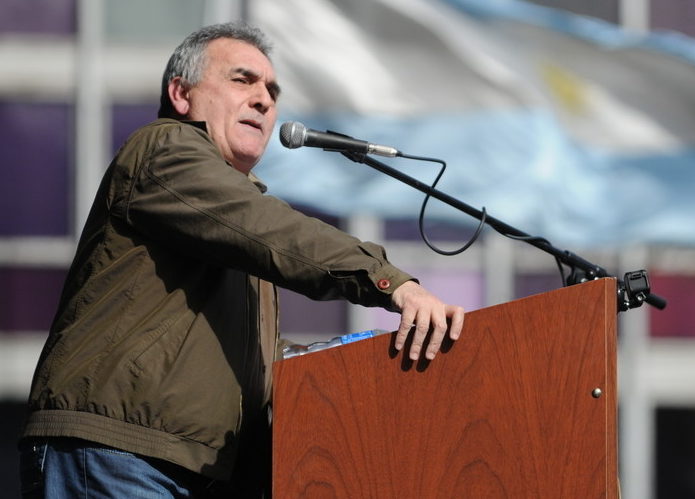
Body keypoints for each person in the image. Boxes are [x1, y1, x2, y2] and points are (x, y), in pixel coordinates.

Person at [17, 21, 464, 498]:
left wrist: (337, 363)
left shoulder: (229, 217)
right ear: (181, 94)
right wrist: (388, 280)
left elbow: (217, 352)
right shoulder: (166, 149)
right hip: (118, 452)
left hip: (185, 466)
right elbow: (274, 230)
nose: (264, 100)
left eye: (272, 91)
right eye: (242, 80)